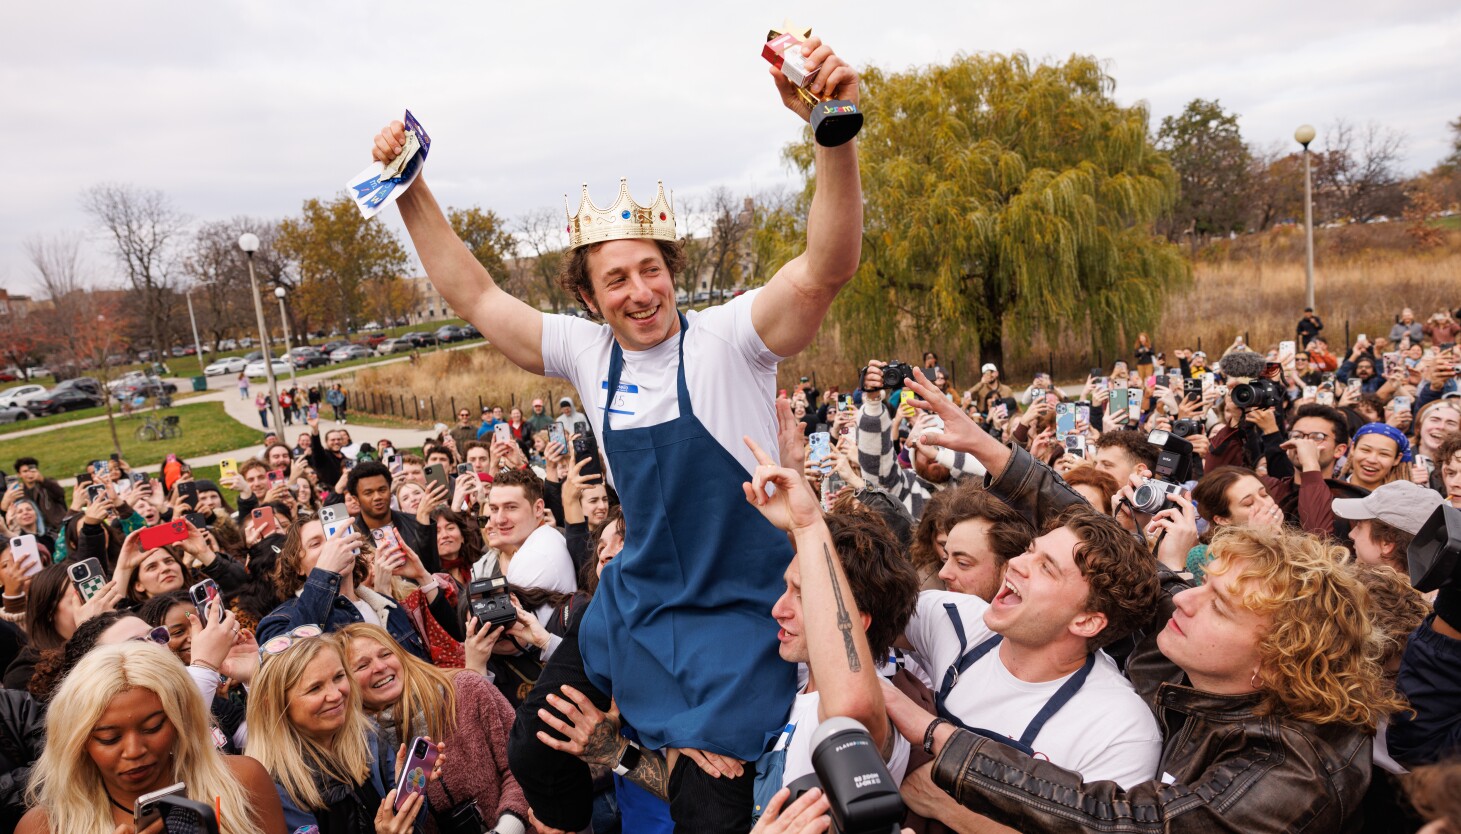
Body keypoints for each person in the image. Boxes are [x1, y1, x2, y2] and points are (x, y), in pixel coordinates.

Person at [371, 31, 863, 831]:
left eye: (651, 269)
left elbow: (825, 266)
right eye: (616, 279)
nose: (640, 292)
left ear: (670, 268)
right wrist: (409, 187)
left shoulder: (732, 338)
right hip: (636, 603)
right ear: (590, 296)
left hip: (734, 615)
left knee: (712, 806)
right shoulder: (583, 350)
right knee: (535, 754)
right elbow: (475, 294)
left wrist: (832, 132)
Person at [887, 523, 1404, 833]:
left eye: (1218, 606)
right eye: (1202, 583)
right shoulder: (1217, 676)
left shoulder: (1291, 771)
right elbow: (1113, 566)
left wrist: (936, 735)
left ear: (1275, 661)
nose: (1182, 598)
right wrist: (993, 452)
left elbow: (1131, 823)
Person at [17, 641, 285, 834]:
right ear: (78, 743)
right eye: (109, 738)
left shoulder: (242, 782)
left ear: (181, 721)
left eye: (153, 727)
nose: (134, 751)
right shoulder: (45, 826)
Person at [342, 623, 530, 833]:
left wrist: (507, 828)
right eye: (362, 665)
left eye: (386, 654)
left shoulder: (466, 689)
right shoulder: (366, 751)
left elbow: (525, 763)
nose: (379, 667)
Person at [244, 628, 433, 833]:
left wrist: (405, 793)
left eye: (338, 677)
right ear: (275, 705)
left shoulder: (367, 735)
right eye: (315, 688)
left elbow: (413, 823)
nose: (335, 695)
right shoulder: (273, 785)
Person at [256, 516, 431, 662]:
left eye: (336, 536)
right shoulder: (281, 619)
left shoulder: (386, 606)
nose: (334, 545)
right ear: (297, 567)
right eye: (316, 544)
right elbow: (285, 667)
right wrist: (325, 574)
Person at [1332, 480, 1446, 576]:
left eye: (1359, 526)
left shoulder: (1364, 600)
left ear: (1387, 542)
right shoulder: (1435, 598)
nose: (1351, 534)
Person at [1341, 423, 1414, 492]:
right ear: (1353, 448)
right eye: (1365, 450)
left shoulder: (1404, 501)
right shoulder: (1331, 492)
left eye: (1384, 454)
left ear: (1397, 459)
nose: (1372, 460)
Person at [3, 457, 66, 531]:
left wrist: (43, 480)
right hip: (33, 530)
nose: (29, 474)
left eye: (32, 470)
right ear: (19, 475)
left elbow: (60, 493)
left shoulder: (48, 484)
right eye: (25, 471)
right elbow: (7, 509)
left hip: (56, 527)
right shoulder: (19, 491)